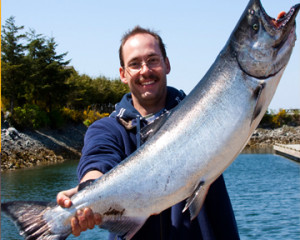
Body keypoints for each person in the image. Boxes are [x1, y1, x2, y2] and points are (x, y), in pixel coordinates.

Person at [57, 26, 240, 240]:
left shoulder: (205, 112)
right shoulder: (106, 129)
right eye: (135, 64)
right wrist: (87, 191)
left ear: (167, 64)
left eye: (153, 60)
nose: (145, 70)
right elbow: (97, 161)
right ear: (123, 74)